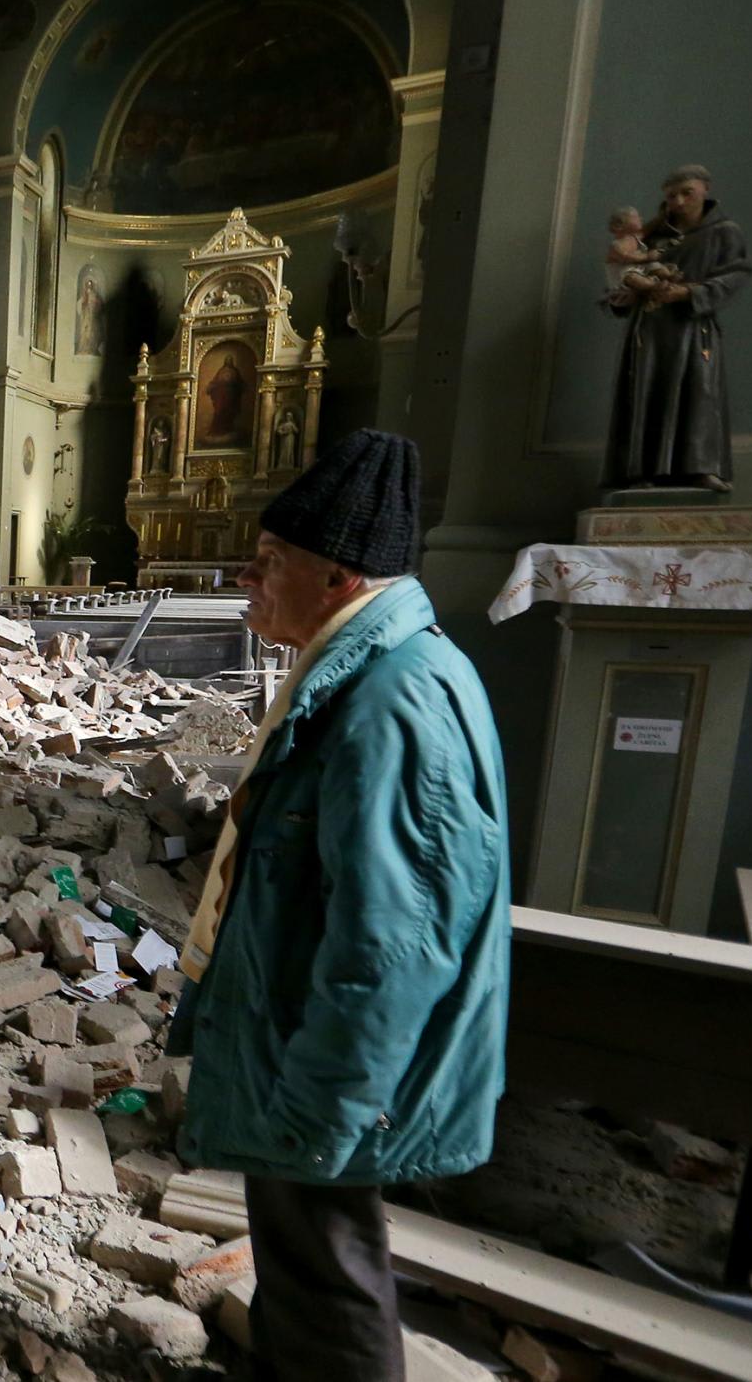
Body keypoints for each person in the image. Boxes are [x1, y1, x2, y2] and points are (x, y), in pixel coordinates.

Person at [168, 428, 510, 1382]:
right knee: (305, 1252)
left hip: (332, 1059)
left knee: (329, 1269)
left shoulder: (394, 703)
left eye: (270, 562)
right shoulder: (364, 669)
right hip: (306, 1039)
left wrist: (325, 1105)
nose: (248, 578)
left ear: (340, 579)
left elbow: (398, 943)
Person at [604, 164, 750, 492]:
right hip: (651, 328)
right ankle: (638, 472)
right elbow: (620, 273)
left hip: (692, 326)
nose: (680, 201)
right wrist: (623, 297)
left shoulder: (724, 231)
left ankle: (701, 468)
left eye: (688, 193)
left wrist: (688, 292)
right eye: (673, 196)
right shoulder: (653, 236)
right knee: (645, 391)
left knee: (700, 393)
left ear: (705, 191)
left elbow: (736, 274)